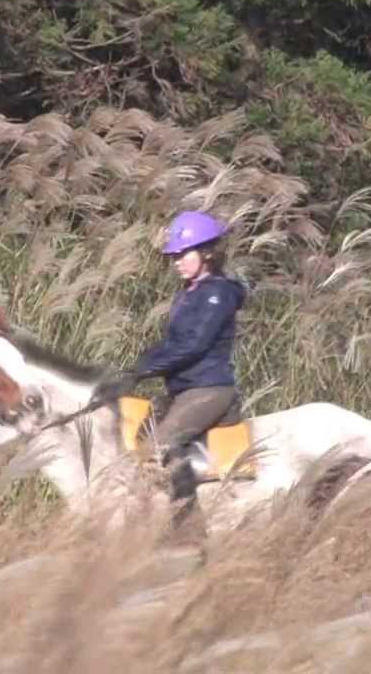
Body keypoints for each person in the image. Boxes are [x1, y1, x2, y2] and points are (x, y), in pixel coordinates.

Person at [126, 210, 247, 529]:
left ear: (207, 253)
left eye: (183, 253)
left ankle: (189, 528)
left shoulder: (218, 293)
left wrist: (144, 370)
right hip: (184, 389)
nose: (177, 260)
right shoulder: (190, 293)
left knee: (159, 446)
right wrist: (134, 368)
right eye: (174, 255)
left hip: (209, 389)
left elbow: (193, 345)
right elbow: (172, 344)